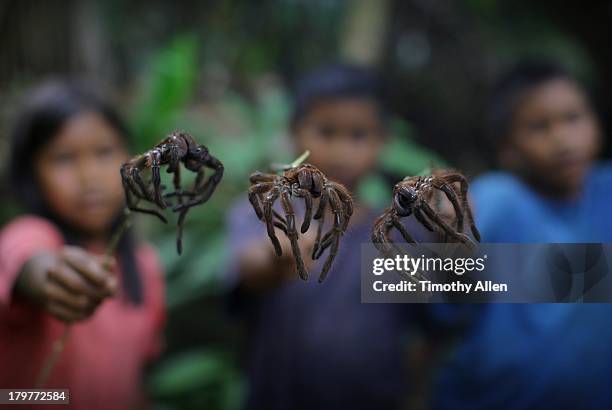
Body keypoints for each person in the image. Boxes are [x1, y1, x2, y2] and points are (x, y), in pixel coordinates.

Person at [224, 63, 433, 410]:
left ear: (382, 141)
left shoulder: (403, 232)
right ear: (295, 133)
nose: (341, 152)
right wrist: (276, 256)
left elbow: (442, 311)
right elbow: (249, 270)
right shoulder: (266, 212)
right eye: (326, 132)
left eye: (358, 136)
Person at [431, 61, 612, 409]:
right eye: (539, 126)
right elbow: (440, 308)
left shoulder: (606, 193)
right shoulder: (497, 200)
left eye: (572, 118)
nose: (562, 139)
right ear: (508, 149)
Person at [0, 81, 166, 409]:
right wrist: (52, 277)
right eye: (63, 159)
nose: (89, 176)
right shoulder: (30, 233)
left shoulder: (144, 266)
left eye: (104, 153)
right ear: (31, 173)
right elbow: (27, 261)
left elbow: (134, 380)